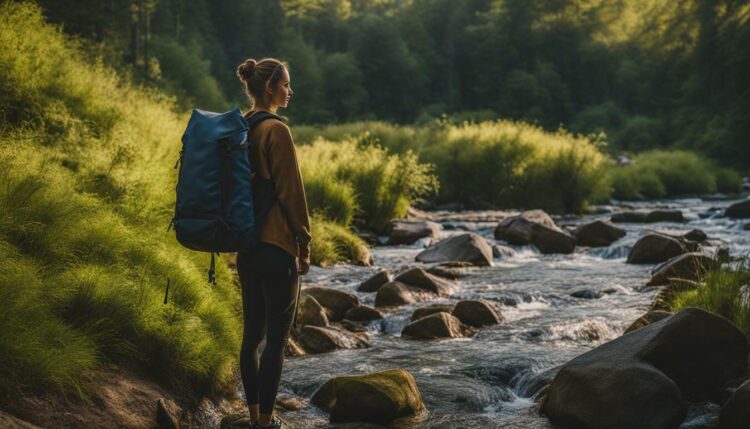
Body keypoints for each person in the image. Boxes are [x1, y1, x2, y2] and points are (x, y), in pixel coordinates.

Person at [235, 57, 312, 429]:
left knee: (251, 336)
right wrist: (305, 242)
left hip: (247, 248)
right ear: (269, 88)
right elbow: (291, 193)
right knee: (277, 341)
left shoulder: (241, 126)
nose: (289, 91)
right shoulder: (276, 131)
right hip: (277, 247)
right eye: (285, 84)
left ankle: (252, 415)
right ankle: (265, 422)